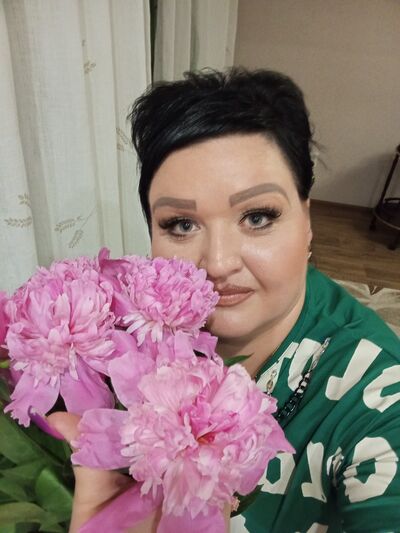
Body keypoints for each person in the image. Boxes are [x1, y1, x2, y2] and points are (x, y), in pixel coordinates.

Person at [49, 68, 400, 532]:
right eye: (181, 225)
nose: (217, 263)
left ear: (307, 222)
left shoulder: (379, 398)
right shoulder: (115, 327)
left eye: (257, 217)